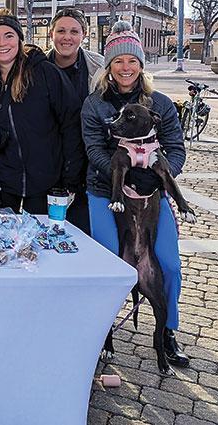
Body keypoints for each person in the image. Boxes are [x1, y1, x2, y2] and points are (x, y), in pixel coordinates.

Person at [82, 20, 189, 368]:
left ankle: (168, 331)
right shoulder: (95, 105)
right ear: (108, 67)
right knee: (109, 263)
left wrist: (155, 176)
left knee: (168, 263)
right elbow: (94, 149)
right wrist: (124, 172)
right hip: (105, 191)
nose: (125, 68)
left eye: (131, 61)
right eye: (117, 61)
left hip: (150, 198)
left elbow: (176, 149)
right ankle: (102, 332)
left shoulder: (160, 103)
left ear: (141, 65)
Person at [0, 9, 84, 215]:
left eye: (9, 36)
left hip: (47, 186)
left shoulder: (45, 73)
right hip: (3, 187)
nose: (2, 43)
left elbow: (71, 126)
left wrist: (69, 182)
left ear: (19, 40)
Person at [46, 7, 105, 233]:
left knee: (84, 231)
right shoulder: (37, 66)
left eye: (74, 31)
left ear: (84, 34)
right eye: (61, 31)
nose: (66, 37)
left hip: (89, 165)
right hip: (49, 164)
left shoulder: (98, 68)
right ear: (51, 34)